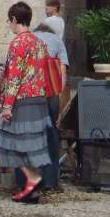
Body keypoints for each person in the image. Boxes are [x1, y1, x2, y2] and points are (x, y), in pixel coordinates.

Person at [0, 1, 53, 204]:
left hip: (22, 99)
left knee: (10, 142)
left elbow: (15, 76)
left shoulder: (18, 43)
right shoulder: (39, 42)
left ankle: (32, 177)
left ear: (14, 19)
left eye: (9, 21)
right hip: (39, 98)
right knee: (32, 144)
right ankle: (32, 189)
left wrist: (7, 105)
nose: (10, 25)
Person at [31, 21, 69, 191]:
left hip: (30, 92)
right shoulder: (57, 40)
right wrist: (59, 96)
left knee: (31, 133)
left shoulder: (28, 37)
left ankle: (30, 179)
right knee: (51, 132)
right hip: (50, 92)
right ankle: (50, 181)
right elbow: (62, 72)